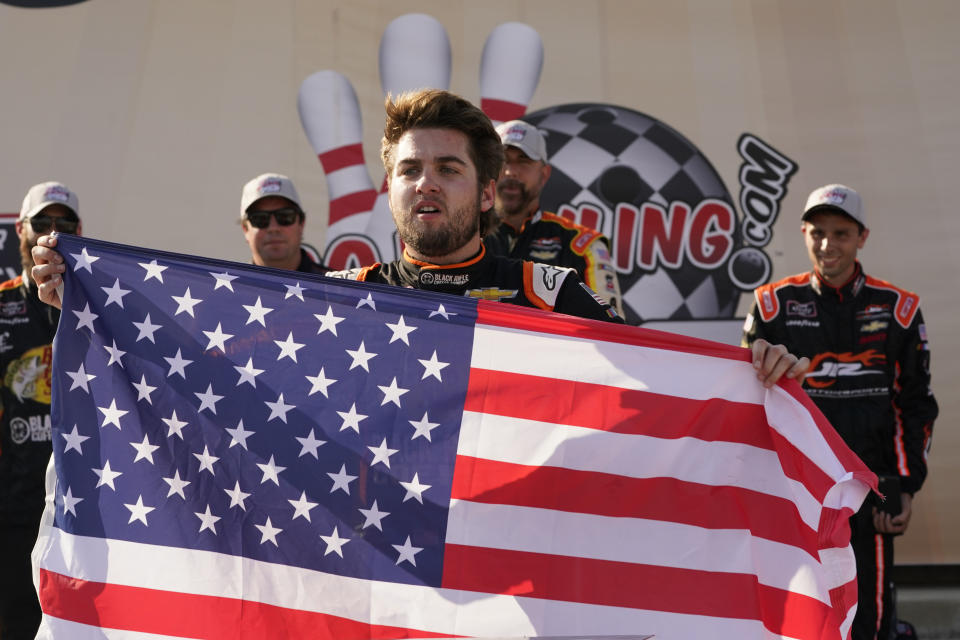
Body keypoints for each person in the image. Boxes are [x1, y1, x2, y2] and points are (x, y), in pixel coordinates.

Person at [31, 90, 806, 385]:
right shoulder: (349, 298)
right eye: (409, 170)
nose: (425, 183)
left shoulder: (547, 288)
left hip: (520, 564)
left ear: (486, 184)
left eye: (447, 168)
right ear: (388, 188)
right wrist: (91, 305)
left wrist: (752, 372)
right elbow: (215, 367)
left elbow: (653, 384)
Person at [741, 184, 938, 640]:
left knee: (867, 619)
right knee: (798, 609)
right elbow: (750, 400)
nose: (828, 245)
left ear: (862, 237)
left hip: (870, 490)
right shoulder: (772, 304)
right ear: (805, 233)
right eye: (818, 233)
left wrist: (902, 487)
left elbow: (916, 405)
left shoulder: (898, 309)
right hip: (797, 488)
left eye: (841, 234)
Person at [0, 182, 82, 640]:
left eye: (64, 224)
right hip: (13, 510)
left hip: (83, 509)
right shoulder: (2, 303)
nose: (53, 233)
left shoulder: (98, 304)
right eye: (42, 223)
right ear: (20, 231)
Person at [486, 120, 623, 316]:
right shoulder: (463, 235)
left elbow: (612, 330)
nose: (510, 171)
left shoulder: (583, 245)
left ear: (544, 174)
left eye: (523, 161)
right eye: (503, 161)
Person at [239, 172, 327, 274]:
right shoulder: (226, 289)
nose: (273, 228)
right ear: (245, 229)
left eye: (285, 216)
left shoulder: (336, 287)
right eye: (260, 219)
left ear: (301, 224)